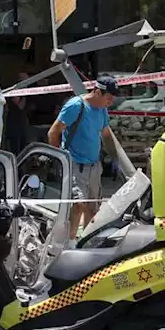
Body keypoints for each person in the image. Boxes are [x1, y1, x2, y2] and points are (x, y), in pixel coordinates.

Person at [47, 74, 117, 235]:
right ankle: (71, 244)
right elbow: (53, 132)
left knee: (93, 209)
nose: (111, 102)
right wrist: (59, 159)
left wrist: (115, 159)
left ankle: (85, 242)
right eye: (109, 97)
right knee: (78, 205)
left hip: (94, 166)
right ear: (97, 92)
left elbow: (106, 135)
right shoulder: (76, 106)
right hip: (75, 165)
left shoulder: (102, 110)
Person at [2, 72, 31, 155]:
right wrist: (24, 93)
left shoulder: (27, 89)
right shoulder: (15, 90)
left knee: (23, 147)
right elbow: (20, 105)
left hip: (22, 123)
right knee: (15, 149)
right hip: (13, 124)